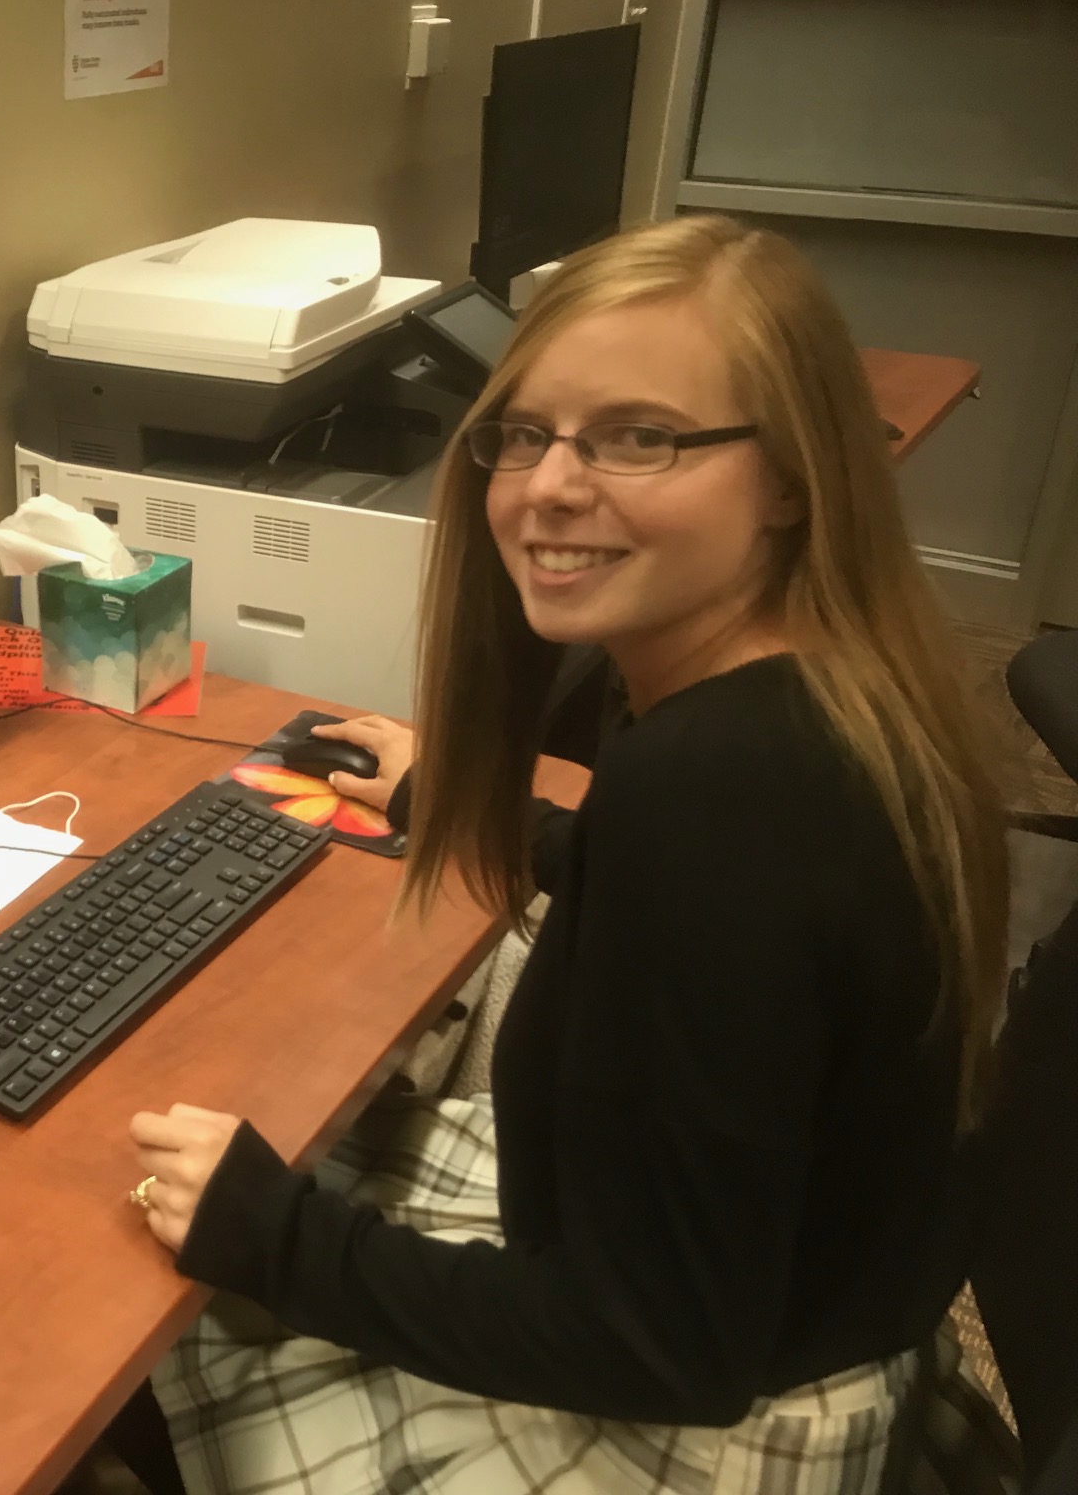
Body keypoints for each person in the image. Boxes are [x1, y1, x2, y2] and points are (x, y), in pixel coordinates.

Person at [123, 216, 1012, 1494]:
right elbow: (736, 936)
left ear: (793, 477)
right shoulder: (831, 695)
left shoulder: (718, 792)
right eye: (525, 433)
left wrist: (277, 1241)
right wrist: (481, 812)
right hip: (808, 1320)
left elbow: (659, 1349)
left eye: (641, 436)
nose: (547, 486)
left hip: (720, 1430)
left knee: (139, 1319)